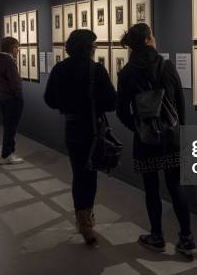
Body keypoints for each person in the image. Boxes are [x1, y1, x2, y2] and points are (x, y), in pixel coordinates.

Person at [116, 23, 197, 256]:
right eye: (152, 35)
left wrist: (140, 127)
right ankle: (186, 239)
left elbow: (122, 111)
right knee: (175, 187)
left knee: (151, 190)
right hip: (170, 138)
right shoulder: (166, 66)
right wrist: (179, 130)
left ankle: (157, 236)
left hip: (146, 140)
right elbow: (180, 104)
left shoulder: (127, 73)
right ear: (148, 40)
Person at [44, 29, 116, 245]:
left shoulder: (59, 68)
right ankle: (87, 221)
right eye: (94, 44)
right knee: (90, 174)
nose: (95, 48)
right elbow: (112, 102)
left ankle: (82, 218)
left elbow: (49, 99)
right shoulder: (96, 70)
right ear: (87, 47)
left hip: (72, 127)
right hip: (93, 128)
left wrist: (67, 107)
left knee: (78, 173)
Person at [0, 37, 24, 165]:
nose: (18, 51)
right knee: (11, 128)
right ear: (12, 48)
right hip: (12, 98)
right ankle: (7, 154)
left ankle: (8, 153)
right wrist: (19, 93)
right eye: (17, 47)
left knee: (8, 127)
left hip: (2, 97)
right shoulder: (8, 61)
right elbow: (15, 82)